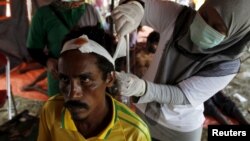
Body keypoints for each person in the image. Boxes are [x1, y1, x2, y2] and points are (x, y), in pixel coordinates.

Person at [112, 0, 250, 140]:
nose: (205, 26)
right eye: (203, 15)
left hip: (180, 129)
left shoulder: (228, 64)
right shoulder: (180, 17)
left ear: (235, 33)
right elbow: (143, 5)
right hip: (144, 111)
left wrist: (142, 89)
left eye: (216, 27)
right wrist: (135, 8)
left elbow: (182, 95)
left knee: (222, 104)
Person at [36, 26, 151, 141]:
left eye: (85, 80)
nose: (72, 94)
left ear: (110, 78)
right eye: (65, 79)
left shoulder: (134, 134)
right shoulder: (51, 111)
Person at [27, 0, 103, 96]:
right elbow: (33, 48)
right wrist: (47, 61)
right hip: (60, 76)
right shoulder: (44, 14)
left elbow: (102, 42)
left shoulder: (90, 11)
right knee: (60, 108)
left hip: (88, 78)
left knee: (88, 107)